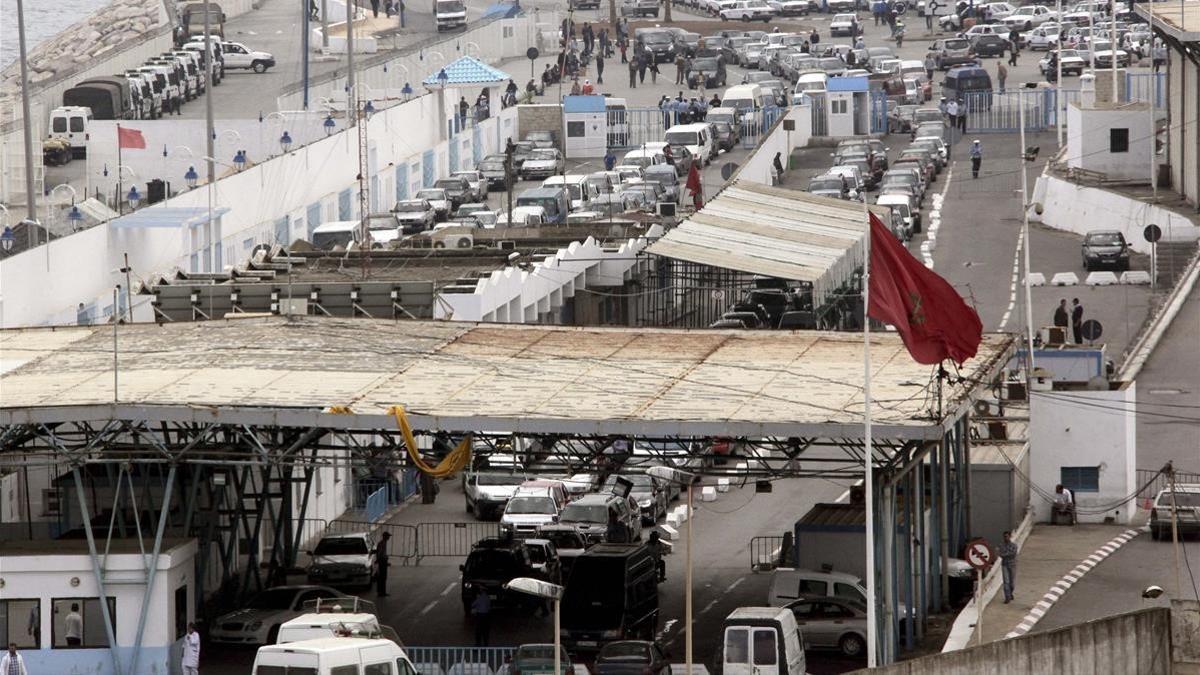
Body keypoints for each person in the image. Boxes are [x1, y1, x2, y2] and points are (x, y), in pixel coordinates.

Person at [998, 531, 1018, 604]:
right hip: (1004, 565)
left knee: (1012, 583)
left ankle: (1010, 593)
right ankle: (1007, 597)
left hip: (1012, 565)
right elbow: (1000, 554)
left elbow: (1013, 554)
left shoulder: (1014, 545)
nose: (1005, 538)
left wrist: (1005, 554)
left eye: (1006, 536)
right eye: (1004, 536)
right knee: (1006, 582)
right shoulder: (1001, 545)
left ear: (1010, 536)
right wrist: (1006, 554)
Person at [375, 531, 392, 596]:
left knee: (382, 577)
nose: (389, 537)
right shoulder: (382, 543)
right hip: (382, 561)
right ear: (385, 537)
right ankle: (381, 592)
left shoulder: (383, 543)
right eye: (388, 536)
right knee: (382, 577)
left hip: (383, 561)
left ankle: (382, 592)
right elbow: (380, 553)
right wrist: (381, 561)